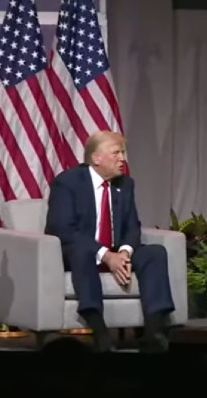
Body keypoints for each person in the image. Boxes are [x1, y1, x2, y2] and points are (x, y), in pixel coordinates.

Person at [44, 131, 175, 352]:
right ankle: (101, 333)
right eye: (116, 153)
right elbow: (62, 229)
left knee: (155, 253)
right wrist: (105, 255)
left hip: (114, 250)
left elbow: (132, 226)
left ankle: (153, 334)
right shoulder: (67, 183)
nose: (122, 159)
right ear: (97, 158)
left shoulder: (125, 184)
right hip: (78, 251)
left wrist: (124, 253)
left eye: (123, 153)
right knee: (82, 251)